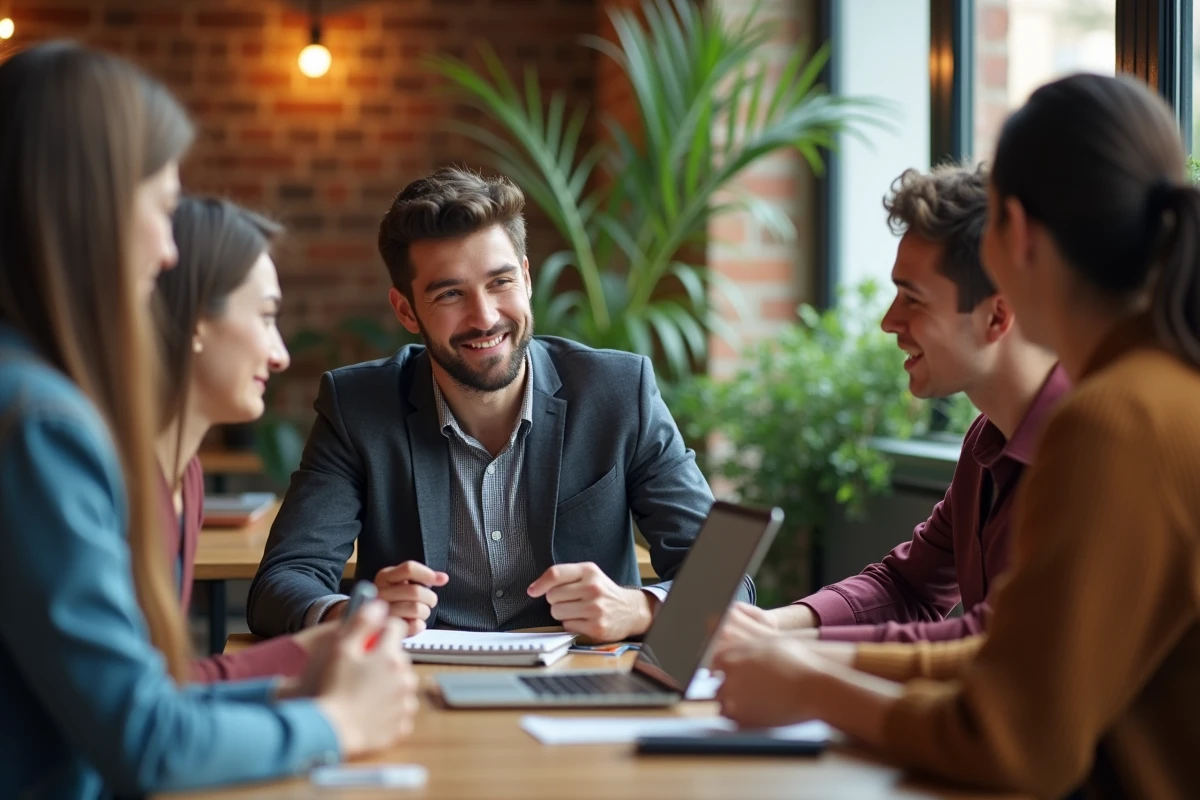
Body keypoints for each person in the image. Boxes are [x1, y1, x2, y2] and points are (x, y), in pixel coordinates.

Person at [715, 73, 1200, 799]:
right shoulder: (1156, 391)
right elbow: (1006, 655)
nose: (888, 321)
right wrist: (796, 649)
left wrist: (816, 684)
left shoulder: (1113, 422)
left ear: (1018, 234)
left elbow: (1009, 742)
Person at [0, 43, 416, 798]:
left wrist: (293, 685)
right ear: (84, 203)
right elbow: (146, 741)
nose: (168, 251)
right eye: (160, 208)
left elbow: (132, 706)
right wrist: (339, 723)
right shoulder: (39, 422)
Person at [248, 166, 743, 643]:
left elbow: (726, 580)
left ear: (526, 279)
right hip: (417, 697)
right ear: (406, 310)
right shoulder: (359, 407)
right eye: (449, 294)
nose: (484, 317)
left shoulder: (617, 391)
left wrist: (637, 608)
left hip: (586, 693)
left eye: (500, 282)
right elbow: (282, 583)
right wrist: (355, 613)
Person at [720, 163, 1064, 647]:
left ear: (997, 315)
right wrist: (771, 626)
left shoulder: (1084, 450)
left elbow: (996, 646)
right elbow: (909, 586)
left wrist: (801, 666)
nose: (888, 321)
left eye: (913, 299)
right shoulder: (986, 440)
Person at [154, 195, 337, 682]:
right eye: (265, 316)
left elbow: (161, 688)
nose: (280, 355)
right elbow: (133, 709)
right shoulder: (106, 474)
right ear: (195, 318)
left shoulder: (183, 473)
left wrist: (320, 649)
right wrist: (311, 661)